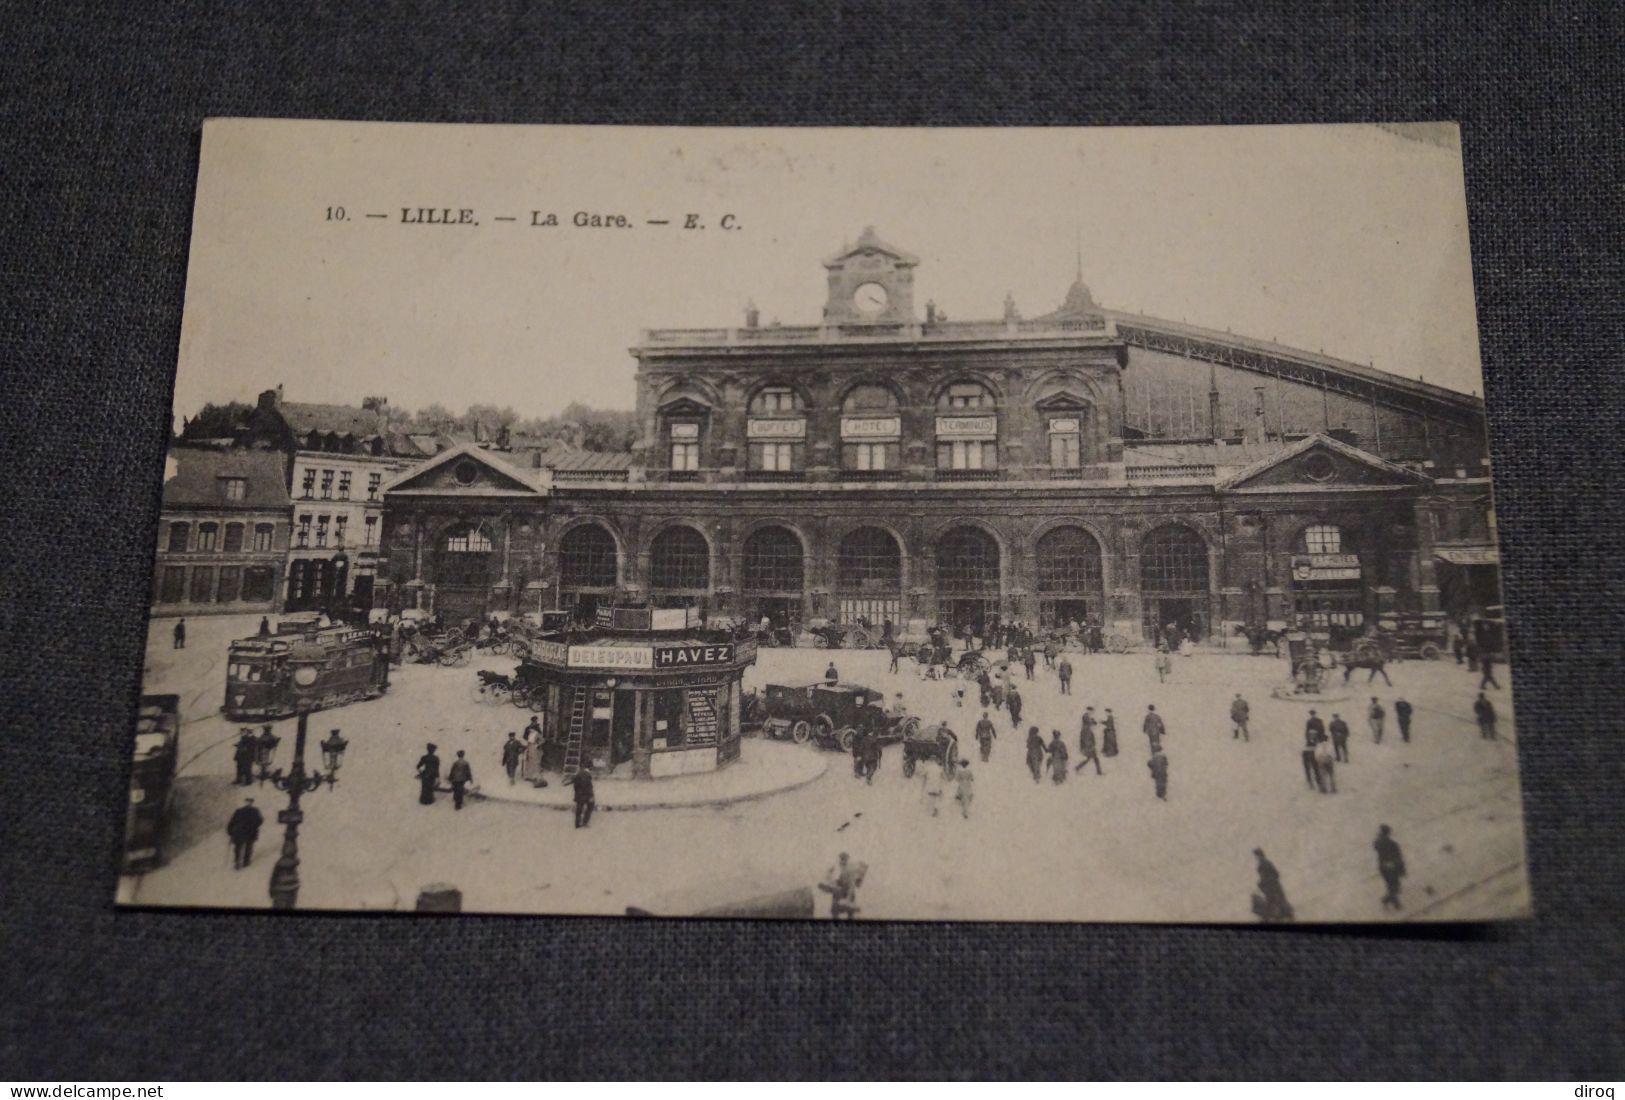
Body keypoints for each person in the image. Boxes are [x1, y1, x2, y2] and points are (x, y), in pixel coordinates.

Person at [1252, 849, 1294, 922]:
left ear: (1260, 855)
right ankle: (1283, 914)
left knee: (1274, 900)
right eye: (1256, 856)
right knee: (1277, 900)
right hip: (1272, 886)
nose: (1256, 858)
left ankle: (1277, 915)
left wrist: (1264, 882)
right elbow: (1274, 874)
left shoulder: (1264, 864)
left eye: (1257, 856)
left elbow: (1273, 875)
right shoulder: (1265, 863)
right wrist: (1262, 883)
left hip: (1272, 886)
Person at [1374, 825, 1407, 910]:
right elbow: (1398, 857)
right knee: (1395, 886)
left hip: (1383, 867)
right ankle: (1387, 900)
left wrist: (1379, 836)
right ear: (1388, 833)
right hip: (1392, 867)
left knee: (1390, 885)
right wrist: (1402, 870)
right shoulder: (1393, 844)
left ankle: (1395, 904)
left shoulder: (1377, 843)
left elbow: (1376, 845)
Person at [226, 798, 264, 870]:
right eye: (248, 802)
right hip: (249, 831)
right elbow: (260, 820)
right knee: (247, 847)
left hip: (240, 832)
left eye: (249, 802)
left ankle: (239, 862)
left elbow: (232, 822)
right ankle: (245, 862)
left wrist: (230, 831)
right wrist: (254, 826)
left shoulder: (239, 811)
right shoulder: (254, 810)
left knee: (239, 847)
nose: (248, 803)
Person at [822, 852, 862, 919]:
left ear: (847, 859)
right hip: (838, 890)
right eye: (842, 859)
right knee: (835, 911)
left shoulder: (851, 867)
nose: (843, 861)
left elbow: (856, 883)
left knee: (850, 912)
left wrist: (858, 879)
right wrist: (830, 880)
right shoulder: (836, 867)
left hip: (848, 890)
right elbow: (828, 875)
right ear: (840, 859)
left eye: (844, 859)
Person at [1074, 709, 1102, 775]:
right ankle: (1098, 772)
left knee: (1092, 758)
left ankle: (1078, 767)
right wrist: (1090, 745)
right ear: (1089, 710)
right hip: (1088, 745)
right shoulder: (1085, 719)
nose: (1092, 712)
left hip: (1089, 743)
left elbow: (1091, 723)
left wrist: (1093, 721)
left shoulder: (1087, 726)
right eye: (1091, 711)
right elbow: (1085, 738)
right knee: (1093, 758)